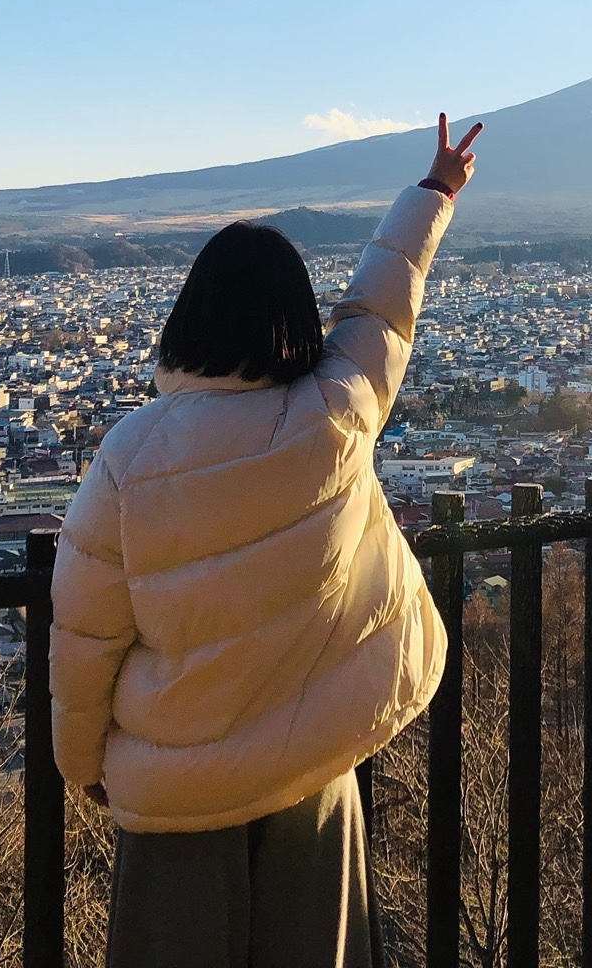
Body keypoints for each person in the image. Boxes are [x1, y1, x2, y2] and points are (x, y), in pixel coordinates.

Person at [50, 114, 484, 968]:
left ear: (189, 318)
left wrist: (84, 765)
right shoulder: (333, 414)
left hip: (176, 787)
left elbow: (85, 636)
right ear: (294, 320)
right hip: (311, 769)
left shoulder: (133, 454)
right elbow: (382, 307)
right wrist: (433, 192)